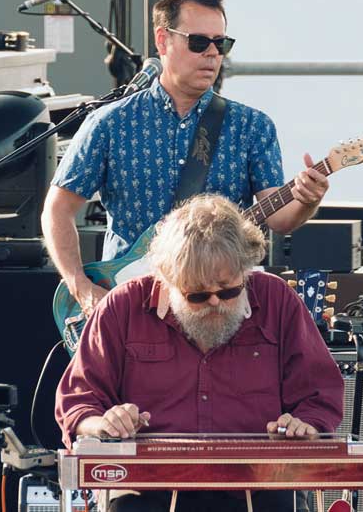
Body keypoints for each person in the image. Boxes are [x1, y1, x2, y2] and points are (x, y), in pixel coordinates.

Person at [42, 0, 329, 318]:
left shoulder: (252, 126)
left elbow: (280, 219)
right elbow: (57, 210)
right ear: (163, 40)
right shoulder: (110, 123)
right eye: (199, 42)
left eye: (221, 44)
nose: (212, 53)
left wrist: (308, 200)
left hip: (218, 307)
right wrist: (81, 287)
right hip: (131, 305)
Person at [55, 194, 344, 512]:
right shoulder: (122, 307)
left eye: (229, 291)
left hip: (259, 482)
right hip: (147, 485)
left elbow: (320, 393)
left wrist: (306, 425)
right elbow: (78, 402)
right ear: (166, 281)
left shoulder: (278, 300)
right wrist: (105, 423)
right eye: (197, 295)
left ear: (246, 271)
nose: (216, 303)